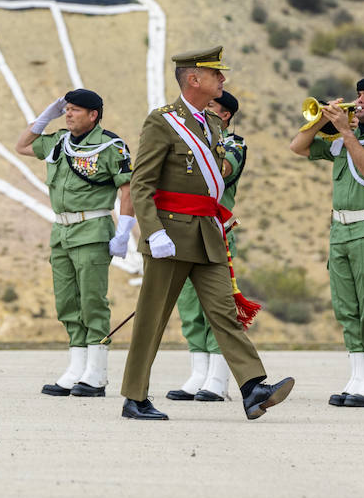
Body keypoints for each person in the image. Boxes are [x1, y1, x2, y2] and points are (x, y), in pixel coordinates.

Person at [119, 47, 293, 421]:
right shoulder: (162, 122)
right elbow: (142, 183)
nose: (223, 79)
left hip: (206, 233)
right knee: (152, 319)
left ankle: (252, 388)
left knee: (224, 313)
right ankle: (135, 397)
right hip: (169, 234)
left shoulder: (211, 125)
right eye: (216, 74)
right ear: (194, 79)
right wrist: (152, 232)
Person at [290, 76, 364, 408]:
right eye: (359, 95)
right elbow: (298, 147)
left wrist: (347, 132)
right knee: (347, 308)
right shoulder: (344, 136)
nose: (361, 100)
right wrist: (321, 121)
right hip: (340, 232)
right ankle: (359, 376)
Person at [15, 88, 132, 398]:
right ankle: (76, 368)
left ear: (93, 115)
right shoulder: (58, 142)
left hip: (92, 228)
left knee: (92, 301)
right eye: (66, 109)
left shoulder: (111, 146)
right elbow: (22, 145)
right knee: (67, 302)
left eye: (75, 110)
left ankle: (96, 374)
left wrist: (125, 231)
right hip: (62, 231)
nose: (68, 114)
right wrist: (44, 117)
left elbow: (127, 189)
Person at [166, 90, 245, 404]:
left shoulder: (233, 144)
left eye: (210, 106)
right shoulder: (186, 142)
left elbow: (221, 171)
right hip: (186, 230)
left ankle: (218, 377)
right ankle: (199, 371)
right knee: (189, 306)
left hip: (214, 233)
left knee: (217, 306)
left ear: (224, 115)